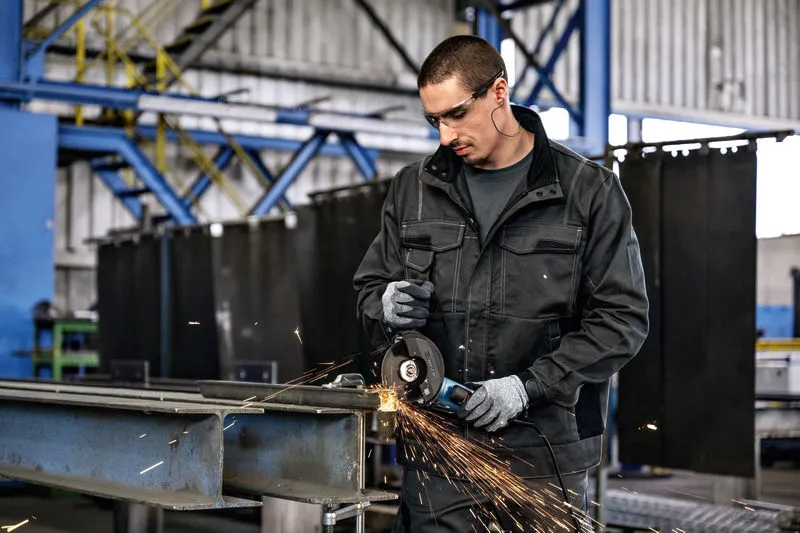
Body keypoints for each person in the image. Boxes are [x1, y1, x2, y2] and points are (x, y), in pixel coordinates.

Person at [353, 35, 648, 532]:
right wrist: (383, 304)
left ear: (498, 93)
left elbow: (623, 321)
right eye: (434, 120)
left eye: (456, 114)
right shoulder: (413, 190)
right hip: (441, 453)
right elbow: (369, 288)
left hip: (545, 457)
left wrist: (528, 387)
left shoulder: (587, 192)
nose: (446, 136)